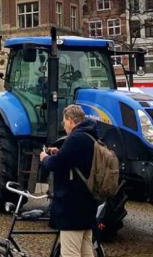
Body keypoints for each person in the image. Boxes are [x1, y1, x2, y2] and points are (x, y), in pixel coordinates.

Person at [40, 104, 98, 257]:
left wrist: (45, 158)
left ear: (71, 120)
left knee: (70, 253)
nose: (63, 125)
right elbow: (74, 160)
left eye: (64, 121)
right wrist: (59, 153)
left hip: (73, 208)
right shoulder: (91, 136)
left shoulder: (76, 138)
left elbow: (55, 164)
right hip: (87, 204)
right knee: (86, 252)